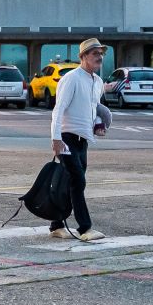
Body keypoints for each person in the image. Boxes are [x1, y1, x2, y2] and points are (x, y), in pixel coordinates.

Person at [49, 37, 112, 242]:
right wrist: (56, 138)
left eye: (101, 53)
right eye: (95, 53)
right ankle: (85, 228)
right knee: (78, 181)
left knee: (71, 183)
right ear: (83, 56)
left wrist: (99, 125)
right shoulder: (72, 78)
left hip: (82, 140)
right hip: (67, 138)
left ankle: (57, 225)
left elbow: (93, 109)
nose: (99, 57)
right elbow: (59, 109)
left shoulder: (97, 82)